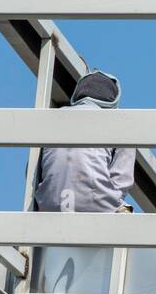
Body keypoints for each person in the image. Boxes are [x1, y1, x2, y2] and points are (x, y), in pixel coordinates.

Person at [33, 70, 135, 213]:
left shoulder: (53, 119)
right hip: (97, 205)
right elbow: (122, 181)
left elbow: (32, 171)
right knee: (126, 213)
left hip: (49, 205)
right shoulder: (119, 123)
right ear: (113, 100)